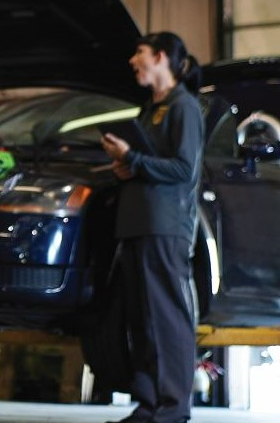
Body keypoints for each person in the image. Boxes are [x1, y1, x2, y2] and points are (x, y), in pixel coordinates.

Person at [100, 32, 203, 423]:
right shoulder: (149, 109)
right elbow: (148, 161)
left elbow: (183, 169)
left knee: (167, 318)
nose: (132, 61)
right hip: (137, 222)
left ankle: (174, 408)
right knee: (142, 319)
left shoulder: (184, 107)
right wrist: (125, 165)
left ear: (160, 57)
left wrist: (135, 159)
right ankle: (148, 405)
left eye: (138, 53)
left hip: (165, 225)